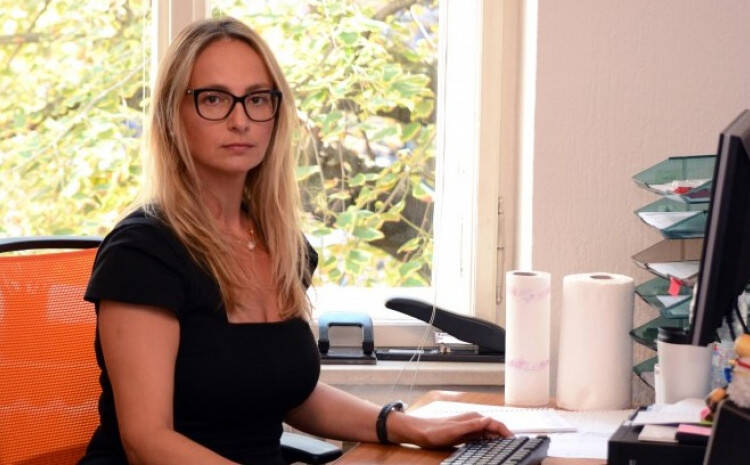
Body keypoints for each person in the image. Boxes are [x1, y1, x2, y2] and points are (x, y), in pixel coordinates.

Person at [78, 17, 511, 465]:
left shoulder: (279, 243)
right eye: (214, 99)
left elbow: (286, 391)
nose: (240, 120)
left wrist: (412, 427)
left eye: (257, 99)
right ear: (172, 116)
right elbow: (147, 441)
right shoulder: (142, 254)